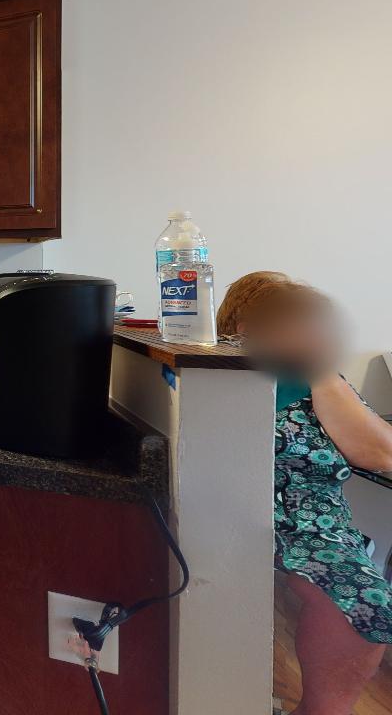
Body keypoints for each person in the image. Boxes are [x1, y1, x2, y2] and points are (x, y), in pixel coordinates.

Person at [218, 272, 392, 715]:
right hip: (245, 512)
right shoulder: (221, 372)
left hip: (320, 519)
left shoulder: (320, 378)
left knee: (369, 602)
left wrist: (317, 370)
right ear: (244, 327)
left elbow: (379, 454)